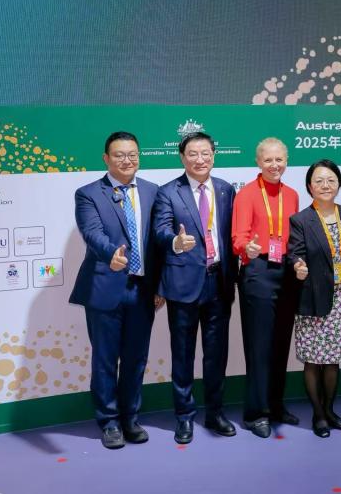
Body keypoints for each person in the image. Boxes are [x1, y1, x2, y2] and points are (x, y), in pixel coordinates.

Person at [70, 131, 163, 449]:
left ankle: (130, 419)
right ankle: (109, 422)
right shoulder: (88, 194)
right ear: (106, 158)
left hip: (143, 289)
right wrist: (111, 253)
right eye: (120, 155)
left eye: (132, 154)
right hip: (105, 288)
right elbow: (91, 232)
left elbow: (158, 242)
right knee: (106, 359)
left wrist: (160, 284)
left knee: (136, 359)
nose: (127, 160)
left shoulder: (152, 191)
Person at [152, 131, 237, 444]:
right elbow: (160, 230)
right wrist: (175, 241)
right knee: (183, 355)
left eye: (205, 154)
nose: (200, 160)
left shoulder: (226, 190)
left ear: (213, 156)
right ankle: (184, 417)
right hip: (183, 285)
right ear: (182, 157)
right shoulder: (168, 192)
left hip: (219, 283)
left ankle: (215, 413)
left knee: (216, 356)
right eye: (193, 154)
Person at [231, 137, 300, 438]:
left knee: (281, 343)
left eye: (279, 159)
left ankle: (276, 405)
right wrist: (248, 247)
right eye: (268, 160)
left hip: (286, 271)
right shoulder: (246, 194)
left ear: (286, 161)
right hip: (258, 271)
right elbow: (238, 238)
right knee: (259, 346)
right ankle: (255, 413)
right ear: (258, 162)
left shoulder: (293, 195)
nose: (274, 165)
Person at [287, 160, 341, 438]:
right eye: (319, 181)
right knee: (313, 360)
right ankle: (318, 414)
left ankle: (329, 410)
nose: (325, 185)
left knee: (333, 360)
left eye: (331, 180)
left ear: (339, 184)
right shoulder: (301, 219)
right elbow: (295, 252)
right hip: (315, 297)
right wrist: (298, 265)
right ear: (309, 186)